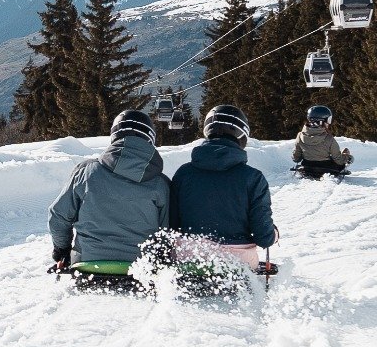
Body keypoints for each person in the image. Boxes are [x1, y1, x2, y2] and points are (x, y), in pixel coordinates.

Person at [48, 109, 172, 285]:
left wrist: (62, 251)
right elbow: (168, 230)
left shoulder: (86, 172)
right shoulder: (161, 183)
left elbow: (58, 216)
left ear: (114, 135)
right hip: (140, 270)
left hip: (88, 266)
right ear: (150, 137)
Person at [169, 105, 278, 265]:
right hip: (236, 263)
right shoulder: (253, 178)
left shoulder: (183, 173)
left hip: (189, 259)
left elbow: (171, 225)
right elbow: (264, 237)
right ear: (242, 134)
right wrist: (273, 234)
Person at [291, 105, 354, 179]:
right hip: (327, 169)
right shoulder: (329, 139)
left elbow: (296, 158)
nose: (328, 123)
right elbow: (339, 160)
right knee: (343, 159)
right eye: (328, 120)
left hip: (307, 168)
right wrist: (347, 157)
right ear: (321, 121)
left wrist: (308, 152)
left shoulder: (300, 136)